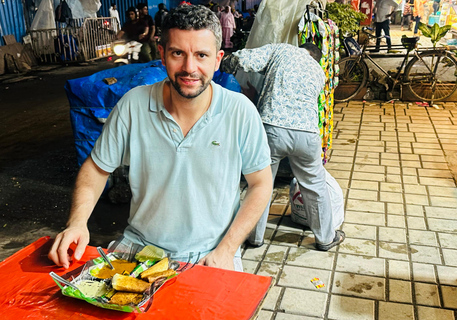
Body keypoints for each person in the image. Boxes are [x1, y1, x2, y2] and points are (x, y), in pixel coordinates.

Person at [48, 4, 272, 272]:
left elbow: (260, 184)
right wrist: (77, 222)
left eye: (202, 55)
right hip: (138, 249)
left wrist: (227, 249)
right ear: (162, 55)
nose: (190, 68)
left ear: (217, 59)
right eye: (178, 53)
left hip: (211, 254)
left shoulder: (240, 111)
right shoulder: (133, 105)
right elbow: (96, 168)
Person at [221, 43, 345, 251]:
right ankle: (325, 238)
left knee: (262, 183)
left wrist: (225, 63)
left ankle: (254, 237)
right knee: (314, 184)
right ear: (314, 57)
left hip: (272, 128)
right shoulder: (318, 71)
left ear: (300, 48)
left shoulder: (282, 50)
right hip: (307, 134)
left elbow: (244, 59)